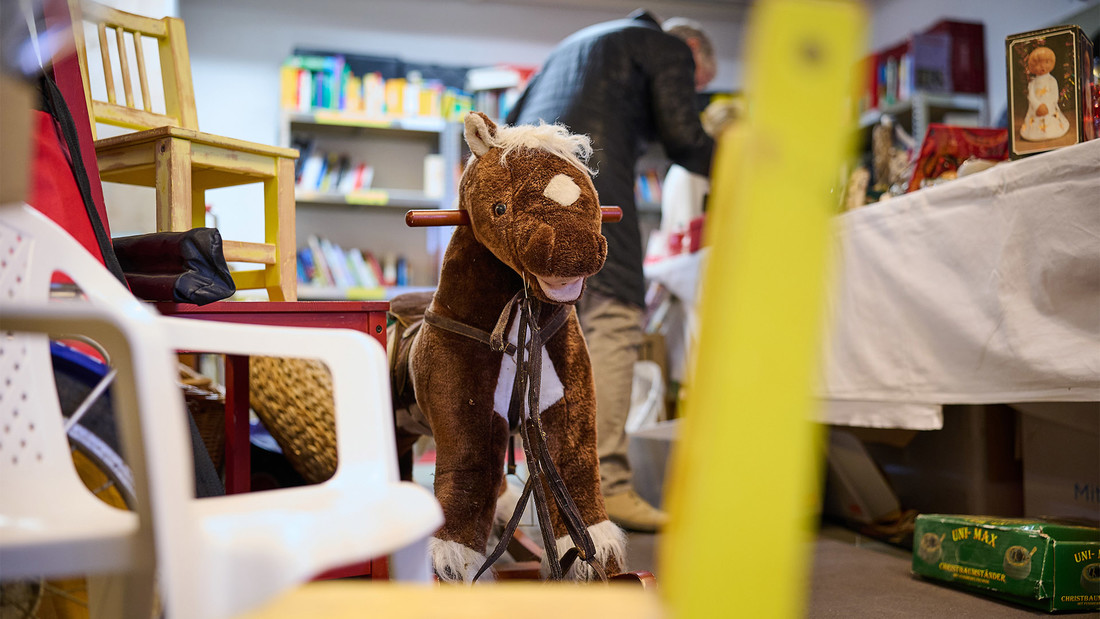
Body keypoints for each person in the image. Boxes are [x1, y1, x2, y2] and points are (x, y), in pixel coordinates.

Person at [506, 10, 716, 532]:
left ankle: (540, 484)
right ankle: (609, 488)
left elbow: (510, 118)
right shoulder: (666, 48)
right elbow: (685, 137)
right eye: (698, 83)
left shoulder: (572, 46)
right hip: (589, 194)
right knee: (614, 321)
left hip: (521, 201)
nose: (692, 89)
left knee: (542, 337)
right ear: (692, 55)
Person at [1019, 46, 1069, 141]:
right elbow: (1031, 96)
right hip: (1036, 109)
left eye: (1046, 62)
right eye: (1038, 64)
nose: (1042, 66)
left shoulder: (1052, 80)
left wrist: (1047, 106)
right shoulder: (1032, 83)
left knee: (1050, 120)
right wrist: (1038, 106)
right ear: (1032, 66)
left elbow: (1054, 95)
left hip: (1049, 107)